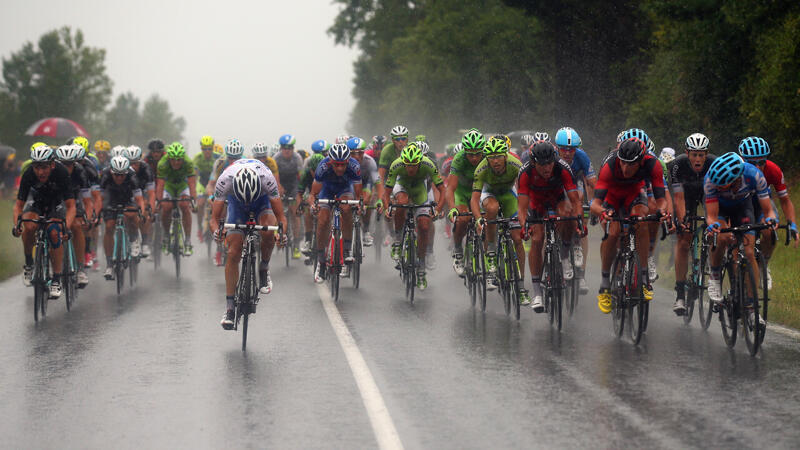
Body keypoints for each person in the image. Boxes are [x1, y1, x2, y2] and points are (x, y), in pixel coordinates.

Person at [591, 137, 671, 314]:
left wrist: (661, 212)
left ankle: (644, 279)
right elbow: (595, 204)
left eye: (631, 164)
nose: (626, 168)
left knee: (642, 222)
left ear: (641, 160)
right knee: (613, 232)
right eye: (623, 163)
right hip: (611, 197)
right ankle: (605, 285)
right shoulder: (610, 165)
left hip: (634, 195)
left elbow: (661, 200)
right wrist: (602, 213)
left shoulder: (652, 164)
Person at [210, 159, 287, 329]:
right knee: (233, 252)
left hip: (262, 202)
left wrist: (281, 233)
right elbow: (214, 219)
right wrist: (218, 231)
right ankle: (230, 308)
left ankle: (264, 268)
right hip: (235, 206)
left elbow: (281, 217)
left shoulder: (267, 179)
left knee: (268, 230)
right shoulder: (225, 181)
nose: (247, 202)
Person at [704, 152, 776, 326]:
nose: (722, 189)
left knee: (749, 252)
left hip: (744, 207)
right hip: (721, 210)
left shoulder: (754, 175)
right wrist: (713, 226)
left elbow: (768, 210)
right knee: (720, 238)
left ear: (737, 179)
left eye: (725, 186)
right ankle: (714, 276)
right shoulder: (709, 181)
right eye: (719, 187)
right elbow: (712, 216)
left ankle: (752, 310)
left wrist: (770, 220)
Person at [518, 140, 581, 310]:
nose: (547, 168)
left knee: (568, 216)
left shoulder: (562, 167)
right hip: (535, 204)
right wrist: (524, 226)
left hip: (557, 199)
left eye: (550, 163)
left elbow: (575, 200)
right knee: (537, 238)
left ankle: (565, 255)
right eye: (542, 164)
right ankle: (537, 293)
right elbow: (522, 208)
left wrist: (578, 221)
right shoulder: (525, 173)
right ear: (533, 162)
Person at [13, 145, 77, 298]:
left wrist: (66, 228)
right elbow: (18, 206)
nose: (40, 172)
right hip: (36, 202)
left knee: (55, 233)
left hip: (56, 203)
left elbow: (71, 206)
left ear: (52, 165)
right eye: (37, 167)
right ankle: (29, 263)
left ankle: (56, 278)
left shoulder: (61, 172)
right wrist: (17, 225)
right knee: (28, 225)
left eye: (44, 167)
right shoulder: (29, 174)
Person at [737, 136, 798, 289]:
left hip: (762, 202)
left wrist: (793, 224)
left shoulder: (773, 170)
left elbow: (785, 200)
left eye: (762, 162)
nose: (758, 168)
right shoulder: (735, 170)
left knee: (770, 231)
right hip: (740, 203)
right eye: (752, 163)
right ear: (742, 160)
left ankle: (764, 264)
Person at [383, 142, 445, 289]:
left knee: (424, 226)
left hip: (419, 189)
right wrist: (387, 208)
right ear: (403, 162)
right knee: (401, 203)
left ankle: (422, 267)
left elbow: (442, 190)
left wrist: (438, 209)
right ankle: (398, 240)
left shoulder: (428, 164)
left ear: (420, 162)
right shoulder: (396, 164)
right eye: (408, 165)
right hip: (402, 186)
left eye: (414, 165)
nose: (411, 168)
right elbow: (386, 193)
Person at [670, 133, 715, 315]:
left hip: (707, 194)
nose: (698, 159)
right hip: (685, 197)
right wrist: (683, 222)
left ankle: (712, 270)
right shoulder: (677, 165)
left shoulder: (714, 164)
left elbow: (715, 198)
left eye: (701, 155)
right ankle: (680, 293)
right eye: (694, 154)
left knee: (714, 232)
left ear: (707, 154)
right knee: (683, 240)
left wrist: (713, 221)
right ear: (687, 153)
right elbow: (678, 198)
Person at [470, 136, 524, 290]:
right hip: (489, 194)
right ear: (487, 159)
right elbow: (474, 199)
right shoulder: (481, 169)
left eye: (499, 156)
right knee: (492, 209)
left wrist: (525, 212)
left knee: (517, 238)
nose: (495, 161)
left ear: (505, 156)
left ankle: (521, 284)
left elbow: (524, 192)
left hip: (508, 194)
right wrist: (478, 218)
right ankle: (491, 251)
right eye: (491, 158)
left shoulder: (516, 164)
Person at [310, 144, 363, 282]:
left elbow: (358, 194)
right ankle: (321, 262)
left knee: (346, 209)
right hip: (326, 190)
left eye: (343, 165)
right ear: (330, 162)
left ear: (348, 161)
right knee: (322, 221)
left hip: (345, 190)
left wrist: (359, 205)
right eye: (336, 165)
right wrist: (313, 205)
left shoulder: (354, 166)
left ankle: (346, 250)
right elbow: (313, 194)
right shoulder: (323, 166)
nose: (340, 168)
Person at [554, 127, 596, 293]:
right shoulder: (553, 158)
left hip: (576, 185)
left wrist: (595, 203)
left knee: (581, 225)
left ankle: (581, 275)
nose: (567, 153)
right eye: (563, 149)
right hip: (558, 186)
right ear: (557, 147)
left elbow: (592, 182)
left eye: (571, 149)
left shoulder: (582, 156)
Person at [99, 156, 147, 279]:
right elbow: (100, 198)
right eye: (116, 175)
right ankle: (109, 264)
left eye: (122, 175)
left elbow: (139, 199)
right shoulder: (105, 175)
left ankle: (133, 239)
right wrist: (97, 212)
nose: (119, 178)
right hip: (111, 198)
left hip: (127, 198)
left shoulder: (132, 176)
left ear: (127, 173)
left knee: (133, 215)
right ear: (111, 172)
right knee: (109, 226)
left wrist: (141, 212)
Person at [446, 130, 485, 276]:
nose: (474, 158)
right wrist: (452, 208)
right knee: (463, 219)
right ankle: (457, 251)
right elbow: (450, 188)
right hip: (461, 192)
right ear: (465, 151)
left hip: (480, 192)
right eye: (470, 154)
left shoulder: (488, 157)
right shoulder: (459, 159)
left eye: (477, 154)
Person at [55, 144, 92, 288]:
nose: (66, 167)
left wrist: (87, 218)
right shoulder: (54, 171)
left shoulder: (80, 172)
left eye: (69, 164)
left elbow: (87, 201)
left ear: (75, 163)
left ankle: (80, 269)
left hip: (74, 200)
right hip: (56, 199)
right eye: (63, 164)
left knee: (77, 226)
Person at [155, 142, 197, 256]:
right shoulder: (162, 164)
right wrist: (158, 201)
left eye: (179, 159)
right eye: (173, 159)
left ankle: (187, 241)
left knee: (184, 206)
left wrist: (193, 201)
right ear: (168, 157)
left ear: (183, 158)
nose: (176, 162)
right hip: (168, 186)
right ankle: (166, 236)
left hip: (183, 186)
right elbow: (160, 184)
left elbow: (192, 183)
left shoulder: (188, 163)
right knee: (166, 207)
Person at [347, 136, 383, 247]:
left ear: (364, 152)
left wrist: (380, 200)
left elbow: (378, 182)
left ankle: (366, 230)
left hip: (365, 183)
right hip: (349, 183)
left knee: (367, 199)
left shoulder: (369, 161)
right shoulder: (344, 161)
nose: (357, 157)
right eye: (353, 154)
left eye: (360, 153)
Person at [298, 139, 330, 257]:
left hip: (325, 192)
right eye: (313, 171)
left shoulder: (329, 169)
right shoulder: (306, 170)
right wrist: (301, 203)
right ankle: (308, 240)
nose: (315, 173)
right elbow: (300, 192)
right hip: (311, 192)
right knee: (308, 210)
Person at [275, 134, 305, 257]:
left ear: (293, 148)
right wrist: (278, 187)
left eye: (289, 147)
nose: (287, 150)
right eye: (284, 147)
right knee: (278, 212)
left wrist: (300, 192)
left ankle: (296, 245)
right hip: (280, 184)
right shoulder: (276, 158)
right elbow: (271, 176)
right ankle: (279, 234)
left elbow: (302, 177)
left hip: (293, 186)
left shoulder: (297, 158)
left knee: (295, 213)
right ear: (281, 148)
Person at [125, 145, 156, 257]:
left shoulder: (146, 169)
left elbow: (152, 193)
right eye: (130, 163)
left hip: (143, 193)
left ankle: (145, 242)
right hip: (127, 194)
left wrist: (151, 210)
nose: (133, 166)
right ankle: (130, 237)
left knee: (145, 213)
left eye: (135, 163)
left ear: (140, 161)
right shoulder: (123, 169)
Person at [193, 135, 219, 243]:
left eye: (209, 148)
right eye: (204, 148)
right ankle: (199, 228)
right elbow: (194, 176)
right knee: (200, 204)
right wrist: (194, 190)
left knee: (218, 204)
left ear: (213, 148)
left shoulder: (218, 157)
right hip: (202, 182)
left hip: (215, 183)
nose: (207, 151)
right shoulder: (197, 158)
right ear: (201, 149)